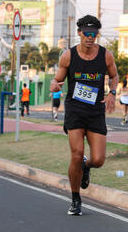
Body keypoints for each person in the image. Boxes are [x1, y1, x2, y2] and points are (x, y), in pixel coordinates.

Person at [50, 15, 118, 216]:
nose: (90, 37)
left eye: (94, 34)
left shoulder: (106, 55)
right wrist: (54, 85)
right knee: (76, 153)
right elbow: (57, 80)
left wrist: (112, 93)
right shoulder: (68, 56)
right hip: (75, 110)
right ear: (79, 33)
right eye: (87, 33)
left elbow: (114, 76)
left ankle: (86, 167)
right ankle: (75, 198)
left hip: (96, 110)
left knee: (98, 160)